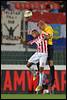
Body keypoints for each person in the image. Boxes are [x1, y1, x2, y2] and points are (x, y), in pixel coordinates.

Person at [37, 20, 55, 89]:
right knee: (38, 62)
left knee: (50, 62)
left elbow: (49, 37)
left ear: (42, 24)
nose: (40, 29)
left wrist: (45, 37)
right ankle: (42, 76)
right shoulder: (43, 30)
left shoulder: (49, 28)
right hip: (43, 47)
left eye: (40, 27)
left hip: (49, 46)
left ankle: (52, 79)